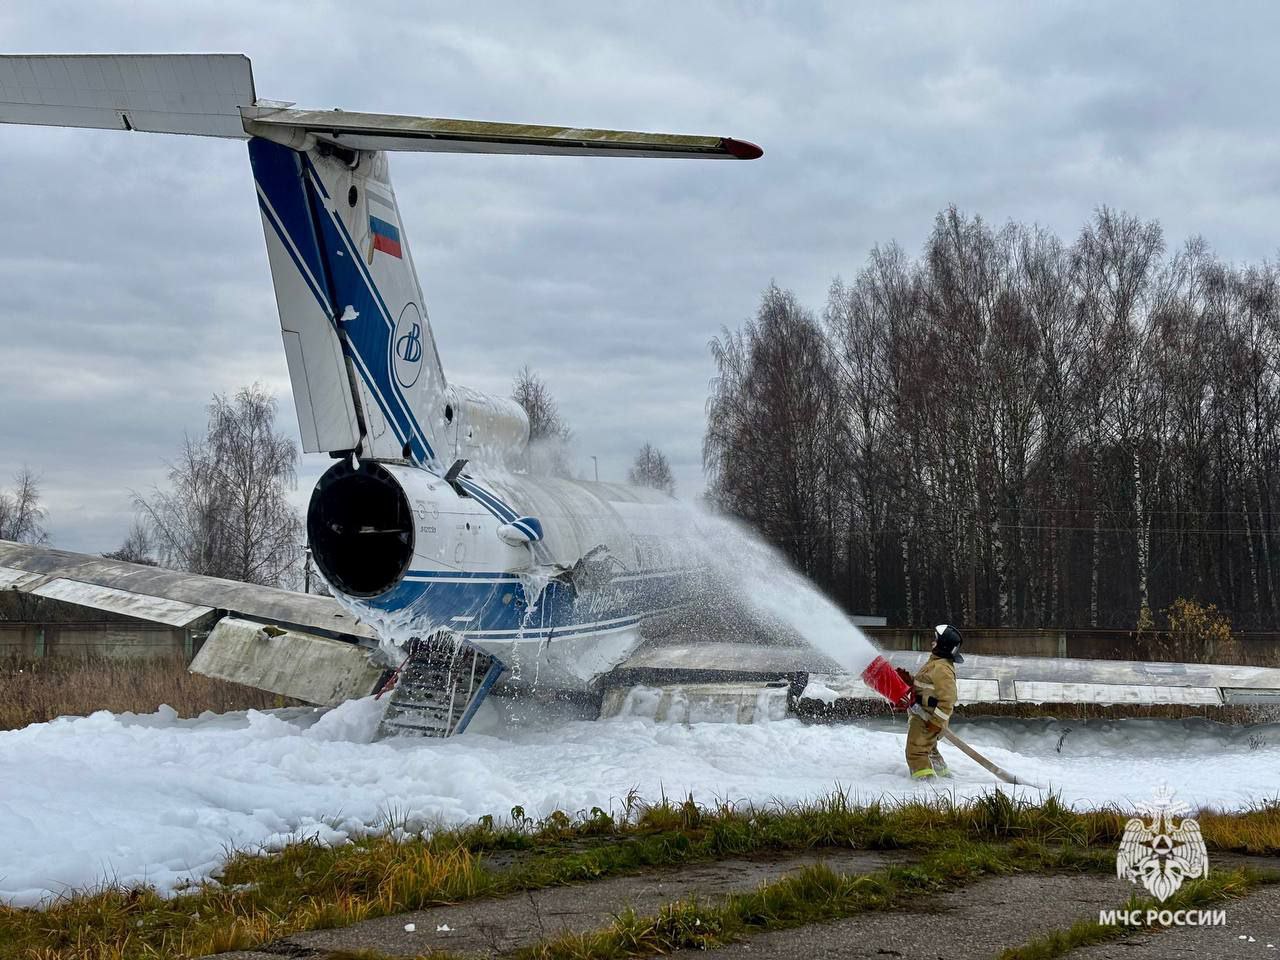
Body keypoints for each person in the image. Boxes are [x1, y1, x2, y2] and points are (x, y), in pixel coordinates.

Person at [901, 624, 964, 780]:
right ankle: (943, 774)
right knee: (928, 748)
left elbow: (948, 698)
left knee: (916, 750)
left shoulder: (941, 668)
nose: (932, 643)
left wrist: (936, 722)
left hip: (927, 718)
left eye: (935, 641)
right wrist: (912, 682)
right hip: (925, 715)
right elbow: (929, 685)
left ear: (942, 646)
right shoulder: (936, 663)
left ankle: (925, 783)